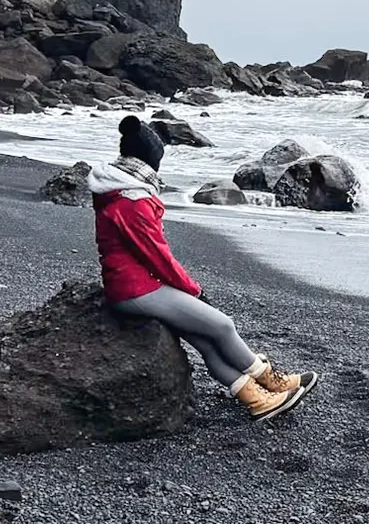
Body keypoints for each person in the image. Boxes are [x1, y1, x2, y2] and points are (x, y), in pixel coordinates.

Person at [89, 115, 317, 421]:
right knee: (222, 326)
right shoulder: (132, 201)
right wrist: (194, 291)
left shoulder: (118, 187)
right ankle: (269, 380)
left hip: (135, 284)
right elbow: (157, 257)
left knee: (205, 340)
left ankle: (257, 400)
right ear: (149, 161)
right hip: (137, 288)